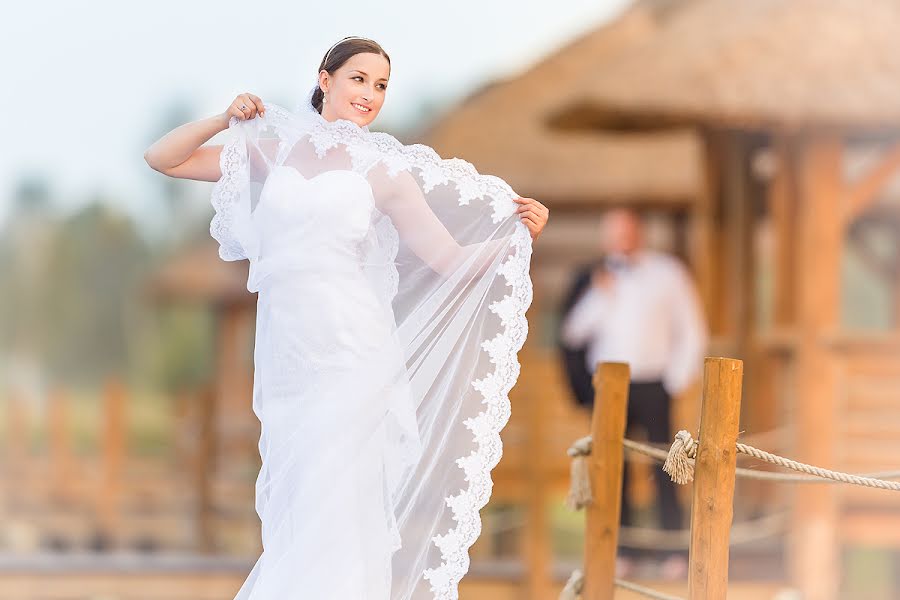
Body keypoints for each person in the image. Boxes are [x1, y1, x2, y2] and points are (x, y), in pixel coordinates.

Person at [144, 37, 549, 599]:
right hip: (288, 353)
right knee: (301, 495)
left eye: (381, 86)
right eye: (359, 79)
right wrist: (222, 117)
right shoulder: (274, 151)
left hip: (352, 352)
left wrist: (515, 238)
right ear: (325, 78)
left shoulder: (384, 169)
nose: (370, 95)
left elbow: (450, 260)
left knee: (333, 495)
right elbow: (164, 159)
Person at [558, 208, 706, 580]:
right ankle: (622, 549)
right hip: (609, 390)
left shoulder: (668, 272)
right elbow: (572, 334)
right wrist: (600, 296)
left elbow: (691, 329)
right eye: (614, 234)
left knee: (667, 466)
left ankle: (673, 550)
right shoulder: (592, 279)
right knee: (614, 467)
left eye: (626, 232)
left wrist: (675, 380)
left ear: (639, 232)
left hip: (655, 384)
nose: (621, 240)